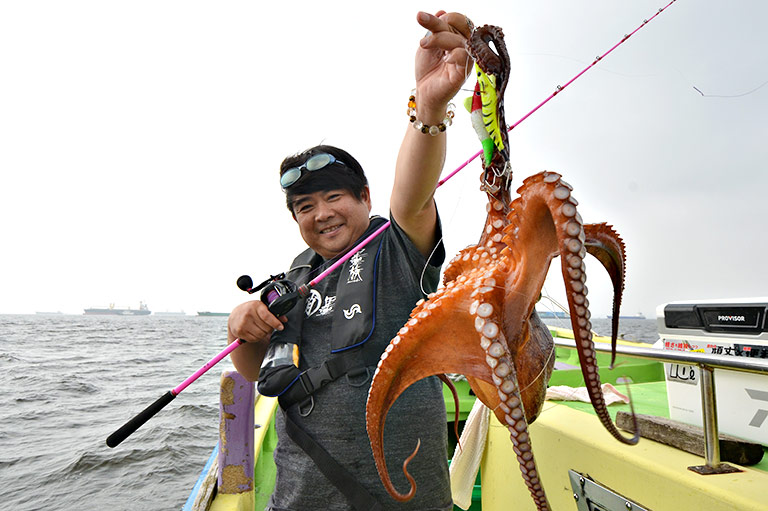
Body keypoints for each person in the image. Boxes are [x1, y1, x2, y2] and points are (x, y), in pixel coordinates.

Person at [227, 10, 473, 511]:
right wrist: (240, 328)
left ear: (364, 197)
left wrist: (428, 108)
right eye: (304, 207)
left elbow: (413, 199)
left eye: (333, 197)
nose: (321, 215)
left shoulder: (400, 250)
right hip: (301, 494)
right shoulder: (293, 280)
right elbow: (254, 372)